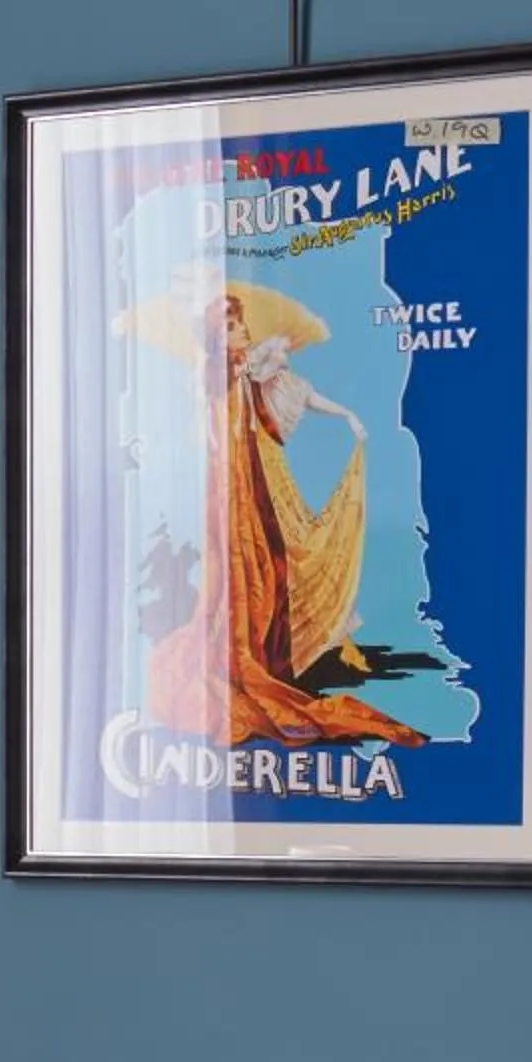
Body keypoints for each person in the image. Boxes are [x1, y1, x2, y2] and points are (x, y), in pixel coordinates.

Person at [142, 284, 425, 752]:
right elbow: (209, 432)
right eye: (233, 326)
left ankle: (279, 651)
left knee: (271, 564)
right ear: (218, 336)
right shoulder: (213, 379)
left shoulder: (252, 370)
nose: (244, 330)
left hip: (256, 488)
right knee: (241, 572)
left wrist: (347, 415)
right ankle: (244, 655)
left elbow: (301, 395)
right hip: (229, 496)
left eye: (241, 323)